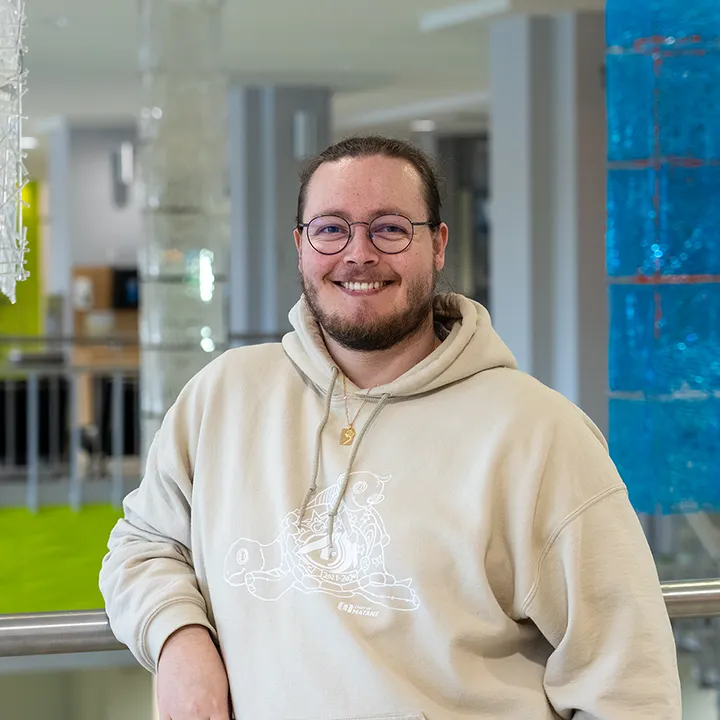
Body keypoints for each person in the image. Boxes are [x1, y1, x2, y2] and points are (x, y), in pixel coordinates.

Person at [100, 135, 681, 719]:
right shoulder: (222, 395)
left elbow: (630, 687)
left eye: (390, 228)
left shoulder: (541, 435)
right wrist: (178, 642)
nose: (358, 254)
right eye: (331, 229)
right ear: (300, 246)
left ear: (437, 246)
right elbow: (143, 545)